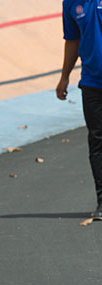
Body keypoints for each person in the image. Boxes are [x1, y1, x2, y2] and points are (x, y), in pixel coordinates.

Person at [56, 0, 102, 220]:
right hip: (92, 84)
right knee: (97, 141)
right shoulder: (71, 3)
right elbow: (72, 40)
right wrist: (65, 77)